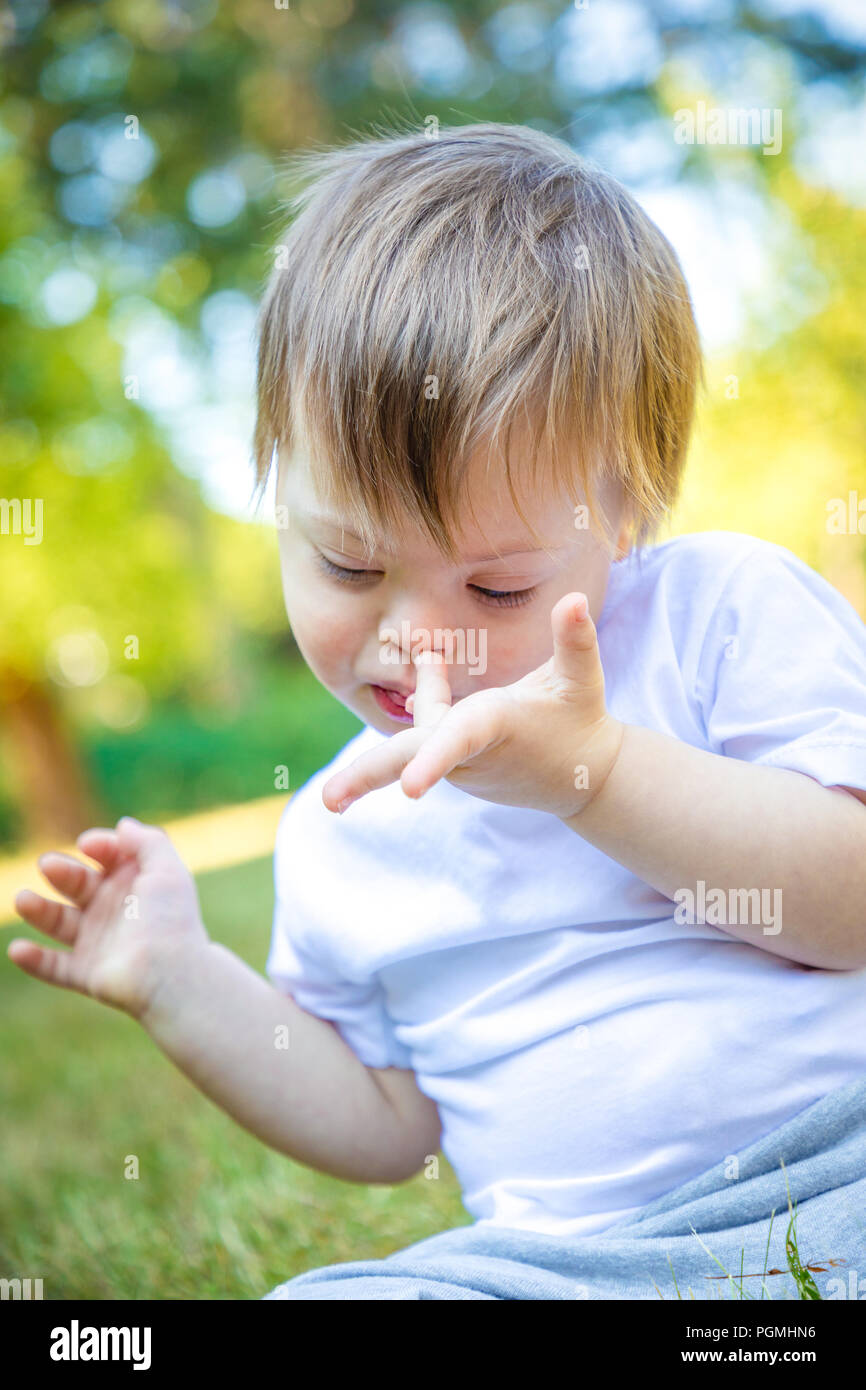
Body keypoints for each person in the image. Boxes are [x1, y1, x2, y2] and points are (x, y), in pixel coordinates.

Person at [10, 123, 866, 1301]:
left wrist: (594, 774)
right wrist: (180, 980)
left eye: (497, 585)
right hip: (568, 1268)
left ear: (629, 511)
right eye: (348, 569)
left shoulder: (715, 613)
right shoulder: (340, 829)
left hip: (839, 1167)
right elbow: (389, 1125)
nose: (418, 639)